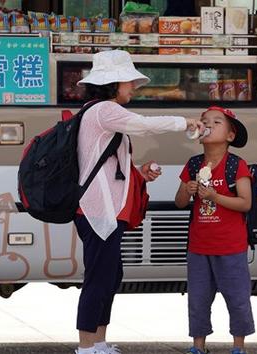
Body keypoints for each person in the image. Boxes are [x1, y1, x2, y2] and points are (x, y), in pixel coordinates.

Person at [74, 49, 204, 354]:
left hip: (106, 210)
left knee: (110, 274)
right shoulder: (103, 110)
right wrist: (183, 121)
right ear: (113, 83)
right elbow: (144, 124)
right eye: (129, 81)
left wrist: (140, 175)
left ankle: (99, 341)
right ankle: (86, 345)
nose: (134, 87)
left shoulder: (101, 113)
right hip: (98, 211)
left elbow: (107, 166)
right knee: (98, 276)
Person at [175, 106, 254, 354]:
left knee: (237, 298)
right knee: (198, 300)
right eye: (204, 121)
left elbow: (245, 203)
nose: (208, 124)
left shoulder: (236, 165)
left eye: (216, 122)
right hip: (199, 246)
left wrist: (215, 196)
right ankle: (198, 345)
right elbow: (179, 202)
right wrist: (187, 190)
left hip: (231, 247)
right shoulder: (193, 164)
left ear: (230, 136)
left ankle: (238, 346)